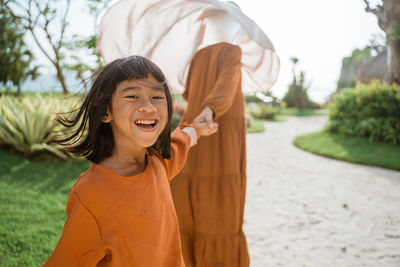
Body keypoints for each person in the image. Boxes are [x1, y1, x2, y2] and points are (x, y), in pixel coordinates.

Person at [42, 56, 218, 267]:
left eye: (157, 97)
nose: (149, 107)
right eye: (133, 96)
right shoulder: (91, 195)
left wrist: (197, 128)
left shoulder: (158, 163)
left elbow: (180, 143)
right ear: (106, 111)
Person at [170, 42, 249, 266]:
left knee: (189, 188)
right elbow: (226, 86)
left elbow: (188, 92)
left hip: (195, 126)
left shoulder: (197, 56)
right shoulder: (232, 51)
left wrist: (201, 107)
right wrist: (211, 108)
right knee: (221, 202)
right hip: (217, 128)